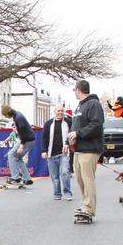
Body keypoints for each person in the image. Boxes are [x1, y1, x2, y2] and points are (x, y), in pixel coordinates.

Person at [67, 79, 105, 220]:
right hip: (79, 149)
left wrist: (79, 134)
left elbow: (96, 124)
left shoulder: (93, 104)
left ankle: (90, 208)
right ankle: (86, 203)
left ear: (78, 89)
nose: (75, 93)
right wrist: (68, 141)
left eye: (75, 90)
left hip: (90, 148)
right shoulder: (79, 107)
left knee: (88, 179)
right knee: (80, 178)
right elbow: (74, 127)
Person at [41, 104, 73, 200]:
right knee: (55, 176)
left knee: (65, 173)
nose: (60, 112)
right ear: (54, 112)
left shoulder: (69, 123)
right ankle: (57, 193)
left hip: (64, 153)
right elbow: (44, 138)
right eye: (58, 111)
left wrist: (69, 144)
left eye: (62, 111)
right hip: (51, 154)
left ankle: (67, 192)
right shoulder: (48, 124)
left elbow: (73, 134)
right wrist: (44, 150)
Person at [1, 104, 35, 185]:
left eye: (6, 115)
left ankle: (15, 178)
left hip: (26, 140)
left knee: (11, 154)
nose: (6, 117)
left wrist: (21, 146)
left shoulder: (18, 118)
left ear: (9, 111)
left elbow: (22, 132)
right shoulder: (17, 115)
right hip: (28, 139)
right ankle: (27, 179)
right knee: (18, 158)